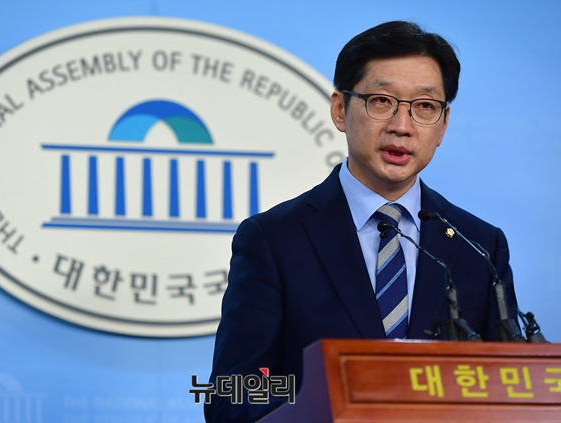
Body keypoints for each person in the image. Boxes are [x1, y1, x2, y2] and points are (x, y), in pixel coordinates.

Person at [205, 20, 519, 423]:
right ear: (340, 109)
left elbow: (509, 387)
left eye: (425, 106)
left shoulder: (479, 246)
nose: (402, 126)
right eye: (381, 100)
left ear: (443, 124)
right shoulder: (274, 239)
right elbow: (233, 391)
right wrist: (322, 405)